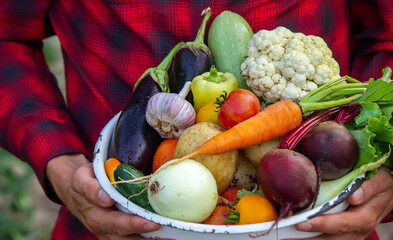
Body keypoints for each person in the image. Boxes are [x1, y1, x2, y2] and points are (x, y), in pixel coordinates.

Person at [0, 0, 393, 239]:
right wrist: (61, 164)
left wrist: (384, 170)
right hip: (113, 218)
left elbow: (387, 37)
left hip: (317, 226)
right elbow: (6, 37)